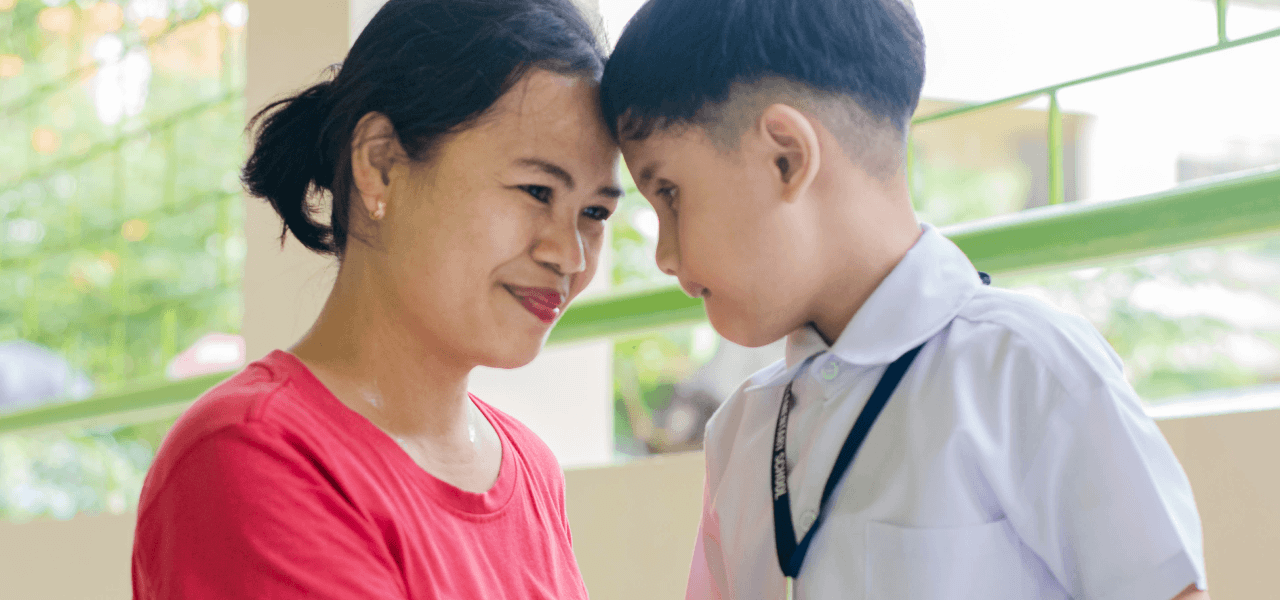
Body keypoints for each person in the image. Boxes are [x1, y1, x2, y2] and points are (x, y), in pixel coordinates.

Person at [600, 0, 1209, 599]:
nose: (666, 256)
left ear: (786, 156)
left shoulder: (1025, 368)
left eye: (671, 194)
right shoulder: (739, 431)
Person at [131, 0, 621, 597]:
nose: (569, 255)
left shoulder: (533, 471)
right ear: (382, 165)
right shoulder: (250, 452)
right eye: (537, 190)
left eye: (594, 212)